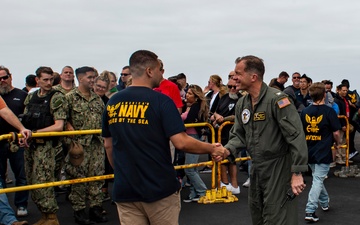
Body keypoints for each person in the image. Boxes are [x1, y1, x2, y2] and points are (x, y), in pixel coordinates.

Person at [102, 50, 225, 225]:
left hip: (126, 189)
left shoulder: (112, 102)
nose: (162, 74)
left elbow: (108, 145)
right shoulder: (161, 101)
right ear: (150, 71)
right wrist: (212, 148)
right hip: (158, 188)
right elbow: (181, 142)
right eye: (160, 69)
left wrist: (122, 172)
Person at [220, 55, 308, 225]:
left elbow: (295, 136)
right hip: (257, 167)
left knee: (277, 215)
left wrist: (297, 172)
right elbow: (238, 134)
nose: (233, 78)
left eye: (237, 74)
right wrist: (227, 150)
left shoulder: (278, 100)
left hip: (278, 167)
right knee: (257, 212)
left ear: (253, 77)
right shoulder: (242, 104)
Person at [21, 66, 67, 225]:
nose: (49, 83)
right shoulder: (31, 97)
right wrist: (25, 135)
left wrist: (35, 133)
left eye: (51, 79)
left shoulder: (57, 97)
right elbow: (25, 119)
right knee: (32, 181)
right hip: (31, 146)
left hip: (46, 147)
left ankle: (52, 217)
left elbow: (59, 126)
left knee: (43, 181)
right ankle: (44, 216)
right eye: (45, 80)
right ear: (37, 80)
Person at [65, 66, 107, 225]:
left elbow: (104, 119)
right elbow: (63, 119)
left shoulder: (97, 99)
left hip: (96, 144)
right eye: (90, 77)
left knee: (97, 177)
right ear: (80, 78)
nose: (93, 80)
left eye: (94, 77)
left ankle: (96, 208)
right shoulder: (69, 98)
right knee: (78, 179)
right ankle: (79, 211)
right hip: (79, 145)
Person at [300, 82, 341, 222]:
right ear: (324, 94)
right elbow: (336, 132)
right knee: (318, 180)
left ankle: (324, 202)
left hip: (309, 149)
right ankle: (310, 210)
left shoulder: (305, 111)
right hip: (323, 150)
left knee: (318, 178)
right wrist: (338, 143)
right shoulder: (329, 111)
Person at [0, 66, 29, 217]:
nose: (2, 81)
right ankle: (5, 210)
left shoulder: (22, 95)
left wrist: (23, 130)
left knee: (21, 175)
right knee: (0, 178)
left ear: (10, 77)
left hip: (17, 141)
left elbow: (5, 111)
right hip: (0, 142)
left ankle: (22, 204)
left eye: (4, 77)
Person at [211, 78, 242, 194]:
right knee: (222, 158)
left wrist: (223, 119)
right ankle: (225, 183)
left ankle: (233, 185)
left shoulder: (242, 99)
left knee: (231, 159)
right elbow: (214, 111)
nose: (232, 89)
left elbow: (239, 116)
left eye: (234, 87)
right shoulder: (223, 97)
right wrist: (216, 116)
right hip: (221, 133)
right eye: (229, 87)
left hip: (233, 133)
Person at [181, 84, 209, 202]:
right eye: (187, 93)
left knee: (189, 168)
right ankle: (194, 193)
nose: (187, 95)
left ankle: (202, 191)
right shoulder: (191, 106)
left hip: (193, 137)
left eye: (190, 94)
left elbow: (188, 120)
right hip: (189, 136)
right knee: (192, 167)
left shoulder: (195, 107)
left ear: (196, 97)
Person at [93, 75, 112, 202]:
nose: (100, 89)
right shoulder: (84, 99)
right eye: (98, 86)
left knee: (103, 167)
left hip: (102, 139)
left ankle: (101, 194)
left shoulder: (109, 102)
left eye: (103, 87)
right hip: (85, 141)